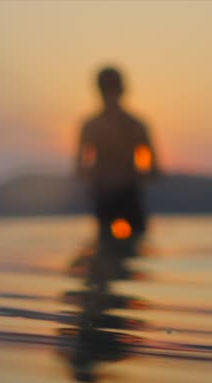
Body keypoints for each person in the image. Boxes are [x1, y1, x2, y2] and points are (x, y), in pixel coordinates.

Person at [74, 66, 160, 254]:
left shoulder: (93, 126)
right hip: (113, 196)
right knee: (129, 248)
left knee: (111, 248)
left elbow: (79, 170)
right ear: (124, 89)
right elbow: (154, 170)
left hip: (121, 196)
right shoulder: (135, 124)